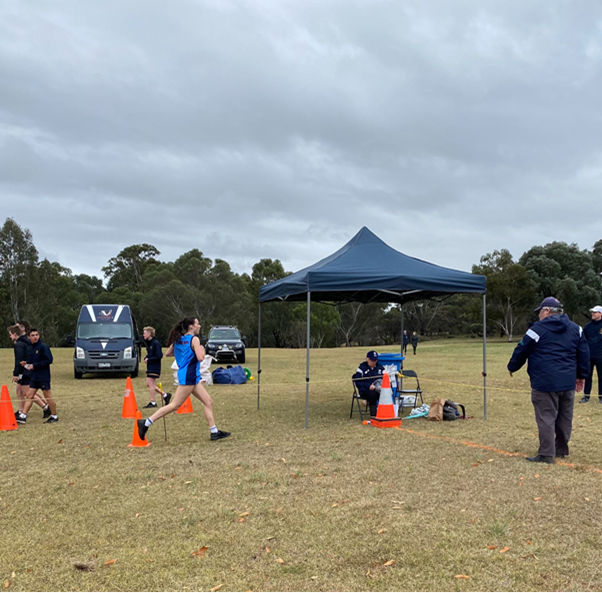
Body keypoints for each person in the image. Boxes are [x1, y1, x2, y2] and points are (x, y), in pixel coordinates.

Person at [507, 297, 590, 463]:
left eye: (539, 312)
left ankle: (546, 454)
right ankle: (560, 449)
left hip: (544, 382)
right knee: (565, 417)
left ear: (546, 311)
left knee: (546, 417)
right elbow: (584, 353)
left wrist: (512, 366)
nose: (538, 315)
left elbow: (522, 348)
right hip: (567, 381)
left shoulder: (537, 329)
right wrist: (581, 376)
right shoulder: (576, 329)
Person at [137, 317, 230, 442]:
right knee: (175, 405)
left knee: (208, 401)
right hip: (189, 376)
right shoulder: (194, 339)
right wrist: (201, 349)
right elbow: (201, 357)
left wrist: (182, 353)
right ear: (191, 326)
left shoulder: (179, 339)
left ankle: (214, 432)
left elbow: (168, 353)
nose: (199, 326)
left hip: (190, 376)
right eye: (197, 324)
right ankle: (146, 423)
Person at [7, 324, 49, 422]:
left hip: (25, 371)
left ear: (14, 334)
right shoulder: (24, 342)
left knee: (28, 392)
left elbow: (19, 360)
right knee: (21, 391)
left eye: (10, 334)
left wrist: (16, 374)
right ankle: (21, 411)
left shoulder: (19, 344)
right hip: (27, 369)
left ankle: (45, 407)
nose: (10, 336)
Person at [19, 328, 59, 424]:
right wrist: (26, 363)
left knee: (48, 396)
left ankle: (54, 415)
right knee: (29, 395)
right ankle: (23, 416)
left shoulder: (43, 347)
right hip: (34, 377)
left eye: (36, 335)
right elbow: (32, 360)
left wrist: (35, 365)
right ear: (29, 337)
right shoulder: (31, 348)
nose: (35, 337)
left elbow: (49, 360)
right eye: (32, 335)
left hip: (43, 376)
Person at [142, 326, 171, 409]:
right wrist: (146, 358)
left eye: (144, 333)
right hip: (150, 366)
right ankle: (165, 395)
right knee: (148, 384)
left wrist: (149, 359)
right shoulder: (149, 343)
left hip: (155, 366)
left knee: (150, 383)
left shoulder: (156, 343)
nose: (143, 335)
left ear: (149, 333)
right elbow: (150, 354)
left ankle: (153, 402)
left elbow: (159, 355)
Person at [579, 305, 602, 404]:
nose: (592, 313)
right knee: (587, 376)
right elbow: (583, 341)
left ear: (600, 314)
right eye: (592, 312)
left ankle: (601, 396)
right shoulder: (588, 326)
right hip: (589, 356)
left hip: (601, 356)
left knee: (601, 377)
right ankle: (586, 396)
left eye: (595, 312)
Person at [352, 350, 385, 417]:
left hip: (378, 388)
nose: (374, 362)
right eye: (372, 360)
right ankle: (373, 415)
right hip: (365, 390)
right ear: (367, 359)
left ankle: (385, 413)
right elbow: (357, 381)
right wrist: (368, 386)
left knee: (386, 392)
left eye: (375, 360)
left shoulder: (380, 367)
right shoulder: (362, 367)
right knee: (373, 394)